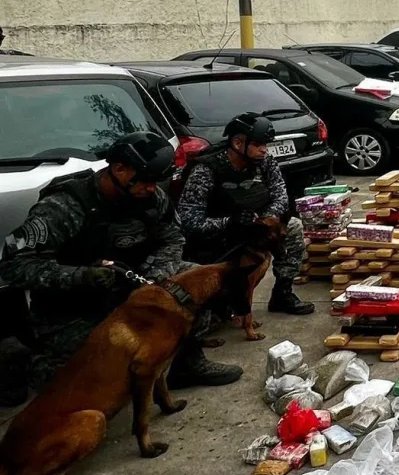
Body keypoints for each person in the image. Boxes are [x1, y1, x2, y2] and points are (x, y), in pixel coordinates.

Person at [0, 133, 242, 406]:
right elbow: (13, 265)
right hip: (77, 305)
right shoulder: (63, 207)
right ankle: (21, 361)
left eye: (155, 181)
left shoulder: (150, 196)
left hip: (133, 284)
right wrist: (83, 276)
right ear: (119, 169)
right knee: (88, 380)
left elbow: (173, 238)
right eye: (146, 180)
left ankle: (187, 363)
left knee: (195, 287)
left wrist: (154, 275)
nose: (152, 188)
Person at [177, 112, 314, 315]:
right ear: (238, 143)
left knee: (293, 226)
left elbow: (280, 196)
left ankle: (282, 294)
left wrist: (264, 220)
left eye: (265, 144)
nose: (264, 150)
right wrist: (229, 222)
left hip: (256, 228)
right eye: (258, 144)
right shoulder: (206, 171)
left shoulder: (265, 162)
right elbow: (189, 220)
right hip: (220, 237)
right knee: (210, 318)